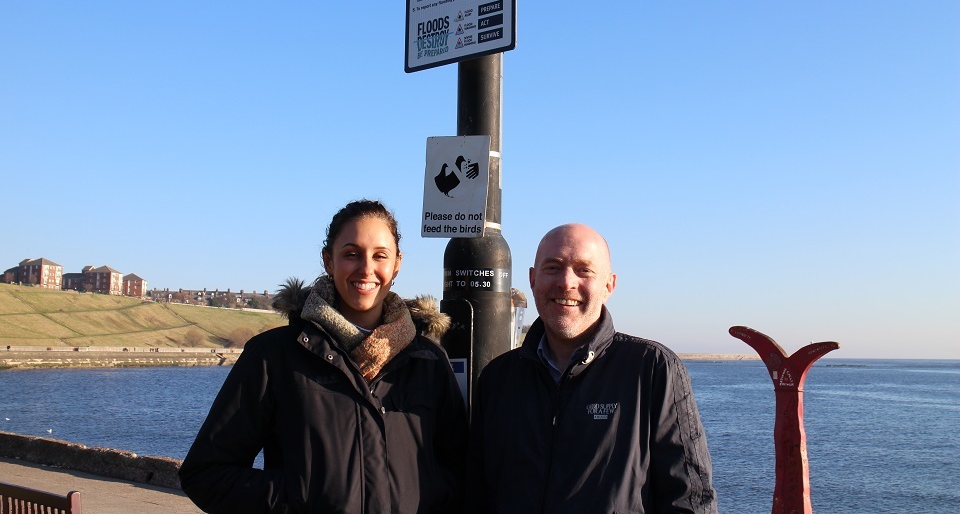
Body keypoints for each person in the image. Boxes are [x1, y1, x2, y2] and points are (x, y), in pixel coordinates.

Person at [179, 200, 468, 514]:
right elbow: (207, 473)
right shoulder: (273, 357)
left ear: (397, 264)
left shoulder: (429, 362)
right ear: (329, 261)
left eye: (380, 256)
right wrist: (299, 502)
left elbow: (462, 471)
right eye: (351, 254)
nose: (366, 268)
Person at [466, 223, 718, 514]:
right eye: (553, 267)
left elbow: (690, 499)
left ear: (609, 285)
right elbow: (477, 494)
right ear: (533, 279)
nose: (566, 282)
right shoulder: (498, 379)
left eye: (583, 270)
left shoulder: (652, 369)